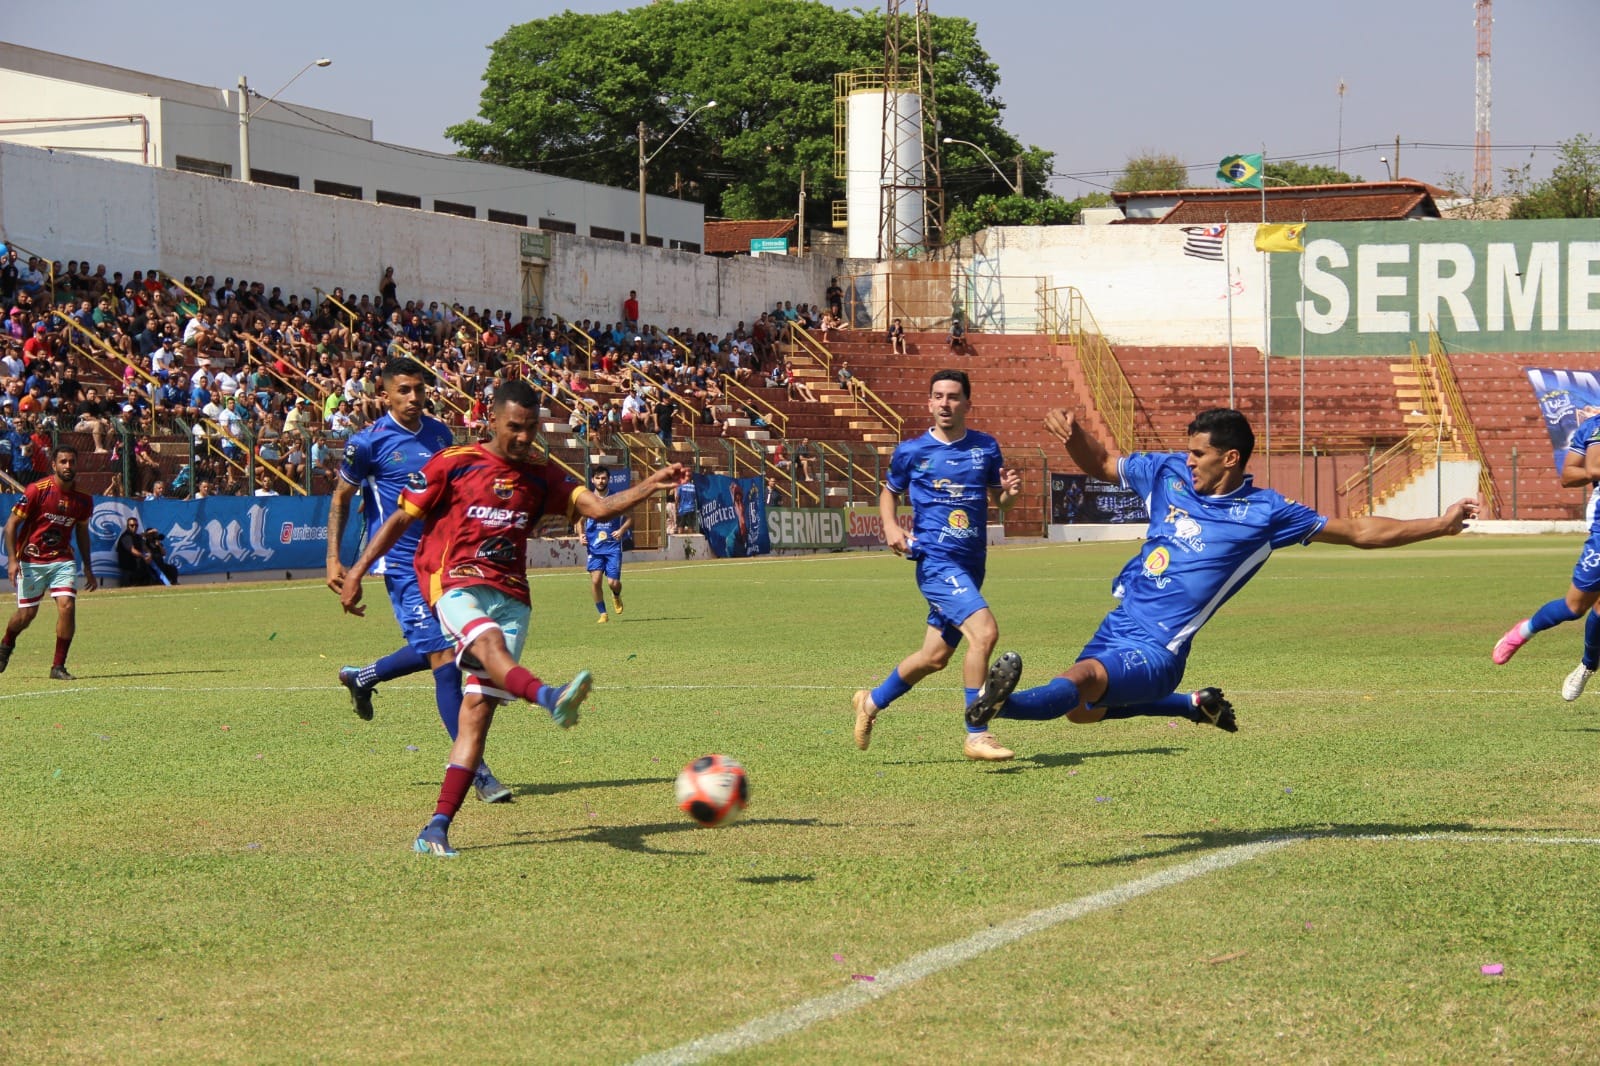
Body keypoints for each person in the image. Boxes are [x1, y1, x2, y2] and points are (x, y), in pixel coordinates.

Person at [964, 407, 1480, 739]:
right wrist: (1074, 435)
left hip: (1161, 648)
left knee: (1080, 680)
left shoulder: (1265, 512)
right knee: (1082, 709)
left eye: (1198, 452)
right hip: (1119, 622)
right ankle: (1191, 708)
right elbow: (1101, 465)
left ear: (1230, 458)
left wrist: (1439, 524)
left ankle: (994, 708)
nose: (1187, 460)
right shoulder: (1167, 473)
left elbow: (1358, 531)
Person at [340, 379, 689, 857]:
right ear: (492, 421)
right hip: (454, 583)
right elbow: (400, 519)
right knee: (487, 645)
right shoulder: (453, 463)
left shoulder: (542, 472)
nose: (524, 438)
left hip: (513, 596)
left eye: (531, 428)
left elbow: (600, 507)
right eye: (514, 429)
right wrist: (358, 570)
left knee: (476, 717)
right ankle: (549, 696)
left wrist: (652, 484)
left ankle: (435, 828)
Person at [322, 358, 521, 799]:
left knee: (448, 647)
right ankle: (476, 770)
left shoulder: (439, 435)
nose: (414, 398)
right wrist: (335, 560)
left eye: (420, 390)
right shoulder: (366, 443)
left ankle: (364, 677)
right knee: (447, 665)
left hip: (445, 559)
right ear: (385, 393)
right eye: (405, 390)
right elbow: (341, 498)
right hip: (401, 565)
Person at [852, 370, 1022, 762]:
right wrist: (891, 526)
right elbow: (889, 492)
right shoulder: (912, 451)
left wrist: (1011, 495)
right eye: (938, 396)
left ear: (967, 403)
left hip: (972, 563)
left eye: (953, 396)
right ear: (929, 403)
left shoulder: (985, 447)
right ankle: (976, 732)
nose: (945, 403)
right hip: (935, 562)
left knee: (934, 657)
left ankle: (871, 703)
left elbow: (1002, 504)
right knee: (985, 633)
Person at [1492, 410, 1600, 697]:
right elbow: (1577, 473)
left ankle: (1587, 667)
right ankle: (1524, 631)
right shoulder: (1595, 427)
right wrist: (1591, 469)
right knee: (1575, 608)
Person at [0, 446, 98, 679]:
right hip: (31, 559)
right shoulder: (37, 490)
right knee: (27, 615)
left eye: (71, 462)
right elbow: (11, 525)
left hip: (62, 560)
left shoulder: (84, 499)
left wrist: (88, 566)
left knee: (67, 606)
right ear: (53, 465)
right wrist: (13, 561)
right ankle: (6, 645)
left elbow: (82, 532)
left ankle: (58, 666)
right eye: (63, 462)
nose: (67, 466)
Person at [581, 467, 630, 624]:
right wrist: (580, 535)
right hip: (594, 548)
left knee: (612, 583)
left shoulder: (616, 498)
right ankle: (603, 614)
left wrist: (621, 530)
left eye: (603, 478)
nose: (601, 481)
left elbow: (629, 517)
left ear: (608, 480)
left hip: (612, 546)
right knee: (595, 581)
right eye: (598, 478)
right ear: (592, 480)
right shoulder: (587, 499)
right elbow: (578, 521)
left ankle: (616, 595)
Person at [115, 516, 154, 587]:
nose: (134, 527)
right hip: (128, 569)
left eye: (136, 525)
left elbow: (145, 548)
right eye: (132, 525)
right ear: (127, 526)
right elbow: (132, 550)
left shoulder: (138, 537)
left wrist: (149, 555)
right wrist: (144, 556)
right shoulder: (126, 537)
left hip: (138, 569)